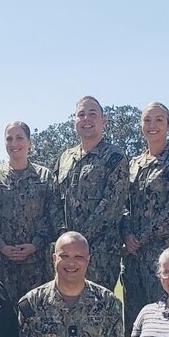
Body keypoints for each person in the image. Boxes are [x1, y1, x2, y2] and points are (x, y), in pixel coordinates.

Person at [123, 103, 169, 331]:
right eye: (147, 120)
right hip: (133, 257)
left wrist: (141, 237)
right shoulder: (132, 164)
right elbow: (122, 205)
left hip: (163, 255)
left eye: (159, 120)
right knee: (135, 321)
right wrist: (126, 235)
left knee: (167, 318)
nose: (152, 125)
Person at [56, 96, 130, 290]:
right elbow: (55, 199)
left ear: (103, 121)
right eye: (81, 114)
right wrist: (64, 237)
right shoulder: (65, 158)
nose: (86, 119)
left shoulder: (115, 156)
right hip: (66, 254)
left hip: (101, 253)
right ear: (74, 121)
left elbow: (113, 205)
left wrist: (79, 240)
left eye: (92, 114)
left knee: (98, 310)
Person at [0, 121, 57, 301]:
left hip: (36, 264)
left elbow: (52, 215)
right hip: (0, 263)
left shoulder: (45, 177)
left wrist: (35, 244)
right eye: (9, 139)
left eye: (19, 138)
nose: (14, 143)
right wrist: (1, 246)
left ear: (30, 143)